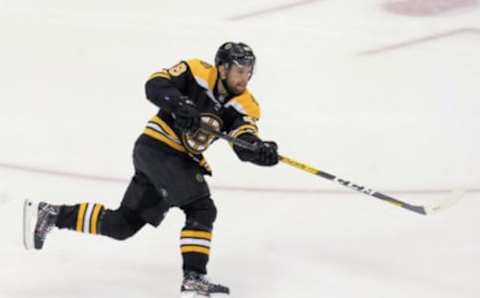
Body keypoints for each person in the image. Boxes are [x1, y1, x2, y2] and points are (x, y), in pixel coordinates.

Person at [23, 41, 279, 297]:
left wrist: (260, 149)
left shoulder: (247, 104)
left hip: (173, 162)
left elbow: (243, 138)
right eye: (239, 71)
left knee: (121, 225)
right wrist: (179, 104)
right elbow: (155, 84)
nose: (244, 78)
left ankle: (53, 214)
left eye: (248, 72)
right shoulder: (196, 71)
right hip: (158, 149)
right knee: (201, 207)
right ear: (222, 68)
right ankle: (194, 278)